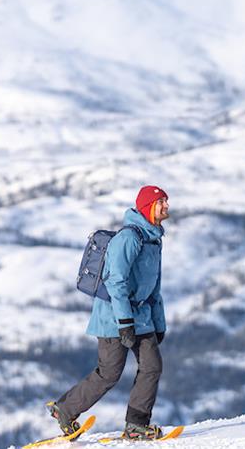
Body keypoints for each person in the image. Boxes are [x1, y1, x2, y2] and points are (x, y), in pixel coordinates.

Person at [49, 185, 171, 441]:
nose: (167, 207)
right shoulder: (129, 238)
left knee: (152, 366)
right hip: (114, 318)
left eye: (166, 202)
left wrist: (159, 324)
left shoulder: (153, 239)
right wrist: (124, 323)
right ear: (149, 207)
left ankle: (136, 424)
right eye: (162, 202)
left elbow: (154, 288)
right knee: (109, 373)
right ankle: (65, 410)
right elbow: (115, 282)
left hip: (142, 317)